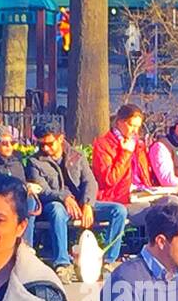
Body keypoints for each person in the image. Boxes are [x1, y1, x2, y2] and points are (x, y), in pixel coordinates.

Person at [28, 116, 127, 275]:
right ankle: (62, 263)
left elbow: (90, 182)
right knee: (56, 210)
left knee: (119, 211)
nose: (45, 148)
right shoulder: (35, 162)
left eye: (49, 143)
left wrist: (88, 204)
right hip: (56, 204)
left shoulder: (77, 155)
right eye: (41, 144)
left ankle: (108, 261)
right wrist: (65, 198)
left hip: (81, 203)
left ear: (60, 138)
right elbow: (43, 190)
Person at [92, 103, 154, 205]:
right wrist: (125, 153)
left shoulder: (138, 144)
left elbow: (144, 176)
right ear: (119, 122)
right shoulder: (103, 144)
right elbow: (109, 180)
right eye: (131, 125)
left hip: (141, 193)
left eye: (138, 127)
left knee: (171, 201)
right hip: (117, 198)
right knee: (146, 207)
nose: (135, 131)